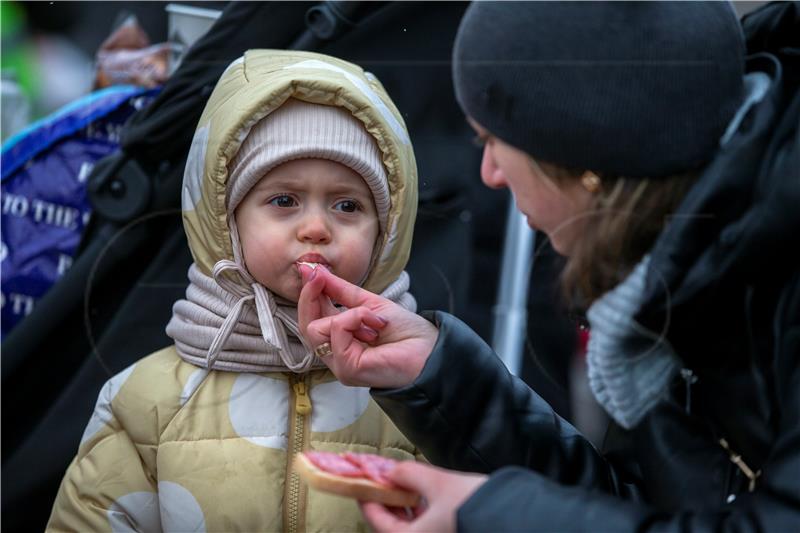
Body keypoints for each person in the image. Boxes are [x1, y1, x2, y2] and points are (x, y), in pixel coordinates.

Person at [298, 2, 800, 532]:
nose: (489, 173)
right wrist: (441, 378)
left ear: (581, 157)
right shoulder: (676, 276)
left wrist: (490, 516)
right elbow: (640, 507)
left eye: (493, 140)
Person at [47, 49, 422, 532]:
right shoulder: (146, 401)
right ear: (224, 222)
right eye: (283, 200)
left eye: (348, 205)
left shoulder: (422, 396)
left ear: (387, 229)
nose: (316, 227)